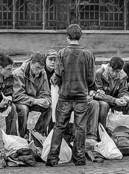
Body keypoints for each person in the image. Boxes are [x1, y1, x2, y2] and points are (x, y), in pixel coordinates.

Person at [47, 24, 95, 166]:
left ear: (67, 37)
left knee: (59, 126)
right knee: (80, 128)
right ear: (80, 37)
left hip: (65, 96)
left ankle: (52, 158)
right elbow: (91, 79)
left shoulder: (61, 53)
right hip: (81, 96)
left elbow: (58, 75)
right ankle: (79, 158)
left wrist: (55, 81)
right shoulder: (88, 54)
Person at [13, 53, 52, 137]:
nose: (39, 71)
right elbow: (17, 96)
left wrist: (46, 101)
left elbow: (46, 92)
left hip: (35, 100)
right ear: (31, 63)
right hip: (21, 101)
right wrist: (34, 101)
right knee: (24, 109)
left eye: (41, 68)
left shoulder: (42, 72)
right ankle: (22, 135)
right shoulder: (18, 73)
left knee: (50, 107)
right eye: (37, 67)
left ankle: (38, 133)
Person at [93, 57, 129, 132]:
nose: (114, 73)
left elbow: (123, 90)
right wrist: (114, 100)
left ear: (121, 70)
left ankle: (127, 133)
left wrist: (125, 97)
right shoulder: (99, 73)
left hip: (115, 99)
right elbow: (99, 94)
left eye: (117, 71)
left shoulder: (123, 75)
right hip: (101, 99)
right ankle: (102, 133)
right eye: (113, 70)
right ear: (108, 66)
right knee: (104, 105)